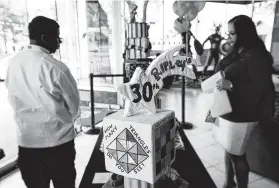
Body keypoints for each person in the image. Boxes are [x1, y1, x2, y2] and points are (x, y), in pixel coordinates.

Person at [5, 16, 80, 188]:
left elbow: (12, 95)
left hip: (27, 145)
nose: (59, 43)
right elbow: (74, 108)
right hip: (58, 144)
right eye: (57, 38)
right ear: (45, 38)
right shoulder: (56, 68)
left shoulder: (14, 63)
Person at [215, 15, 275, 188]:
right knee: (229, 147)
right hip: (230, 108)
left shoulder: (256, 55)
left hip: (246, 111)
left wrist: (231, 85)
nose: (229, 37)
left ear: (244, 33)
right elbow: (223, 68)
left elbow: (260, 88)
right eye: (229, 33)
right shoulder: (237, 50)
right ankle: (228, 183)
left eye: (233, 33)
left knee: (237, 154)